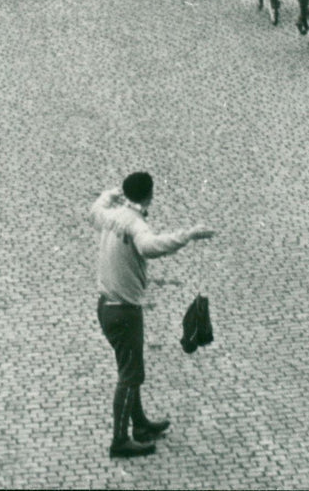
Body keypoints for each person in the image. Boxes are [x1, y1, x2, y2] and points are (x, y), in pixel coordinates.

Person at [90, 172, 216, 459]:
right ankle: (120, 440)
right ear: (150, 195)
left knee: (130, 367)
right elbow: (150, 246)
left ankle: (140, 423)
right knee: (130, 375)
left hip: (106, 306)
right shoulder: (135, 224)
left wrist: (109, 195)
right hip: (124, 312)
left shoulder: (110, 215)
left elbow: (95, 209)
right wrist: (188, 235)